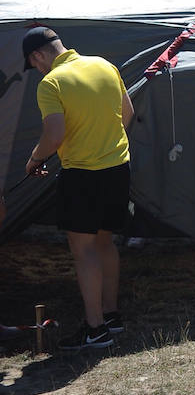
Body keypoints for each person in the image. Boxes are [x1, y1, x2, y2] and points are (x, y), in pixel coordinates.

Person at [21, 26, 134, 351]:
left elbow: (54, 135)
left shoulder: (51, 83)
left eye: (34, 64)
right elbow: (127, 114)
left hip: (83, 175)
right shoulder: (104, 65)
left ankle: (95, 329)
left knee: (83, 250)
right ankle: (112, 316)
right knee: (105, 243)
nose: (37, 70)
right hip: (118, 168)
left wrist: (34, 159)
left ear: (38, 55)